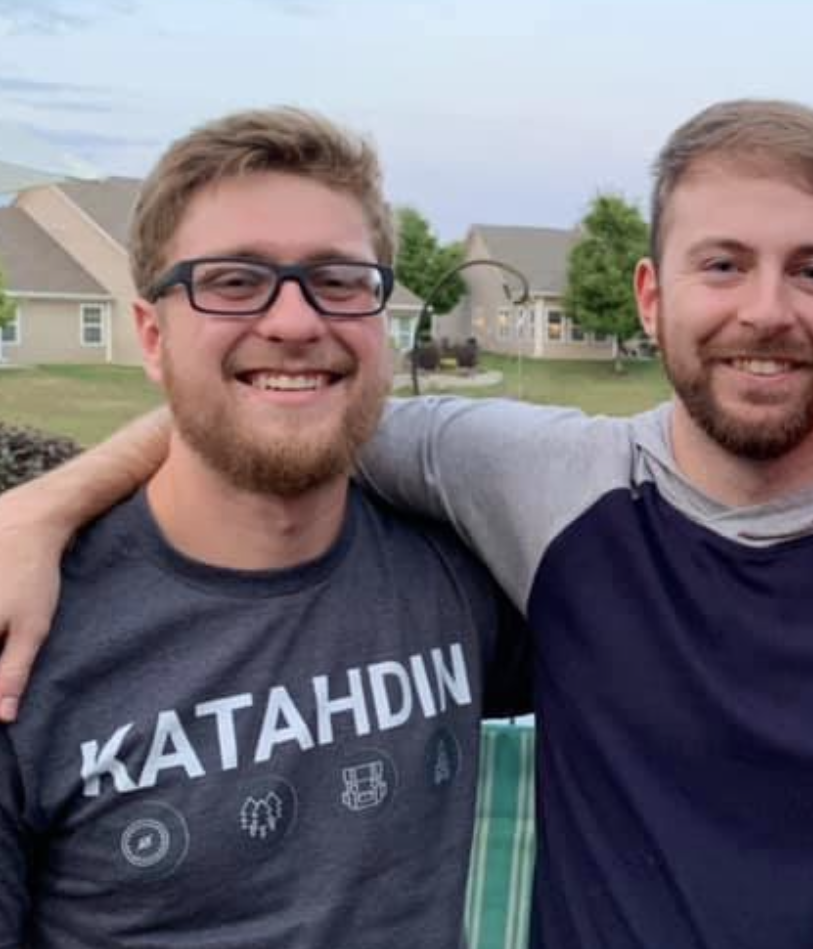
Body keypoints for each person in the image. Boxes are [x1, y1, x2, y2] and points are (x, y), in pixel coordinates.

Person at [1, 98, 813, 948]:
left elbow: (302, 397)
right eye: (724, 265)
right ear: (652, 298)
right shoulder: (541, 487)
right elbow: (280, 403)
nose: (766, 309)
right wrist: (40, 508)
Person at [0, 107, 529, 949]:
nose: (294, 321)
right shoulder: (27, 641)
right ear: (151, 335)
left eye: (339, 280)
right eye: (234, 281)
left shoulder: (458, 573)